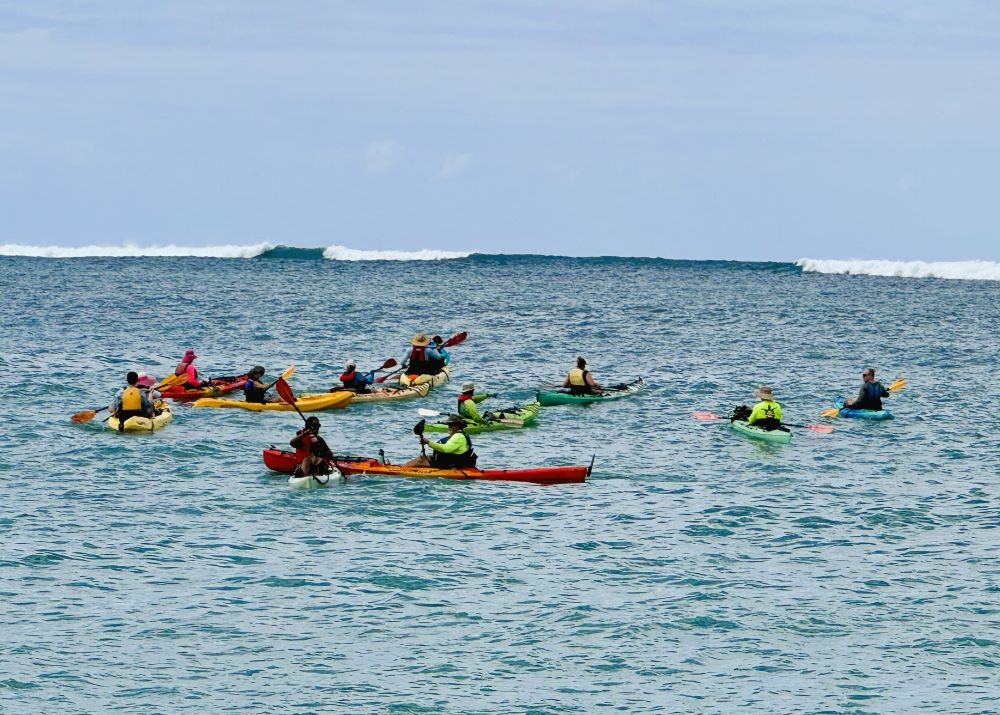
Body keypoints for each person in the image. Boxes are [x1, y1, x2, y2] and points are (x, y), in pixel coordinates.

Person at [405, 415, 477, 468]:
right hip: (448, 461)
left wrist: (428, 442)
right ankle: (402, 468)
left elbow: (445, 449)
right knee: (423, 458)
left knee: (420, 461)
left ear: (458, 426)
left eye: (451, 425)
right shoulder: (457, 435)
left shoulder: (458, 436)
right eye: (449, 425)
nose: (449, 427)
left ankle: (401, 469)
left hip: (452, 464)